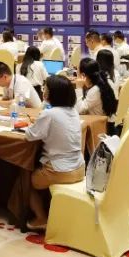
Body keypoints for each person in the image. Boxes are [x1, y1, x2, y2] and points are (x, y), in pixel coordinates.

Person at [24, 75, 85, 231]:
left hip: (59, 170)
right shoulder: (73, 111)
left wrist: (34, 123)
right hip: (79, 168)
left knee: (25, 180)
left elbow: (30, 135)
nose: (43, 91)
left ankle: (40, 218)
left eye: (46, 89)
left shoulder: (50, 114)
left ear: (52, 93)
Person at [74, 58, 119, 129]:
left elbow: (79, 110)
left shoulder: (95, 90)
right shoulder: (103, 82)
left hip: (101, 128)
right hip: (107, 123)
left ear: (83, 75)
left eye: (77, 71)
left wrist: (78, 88)